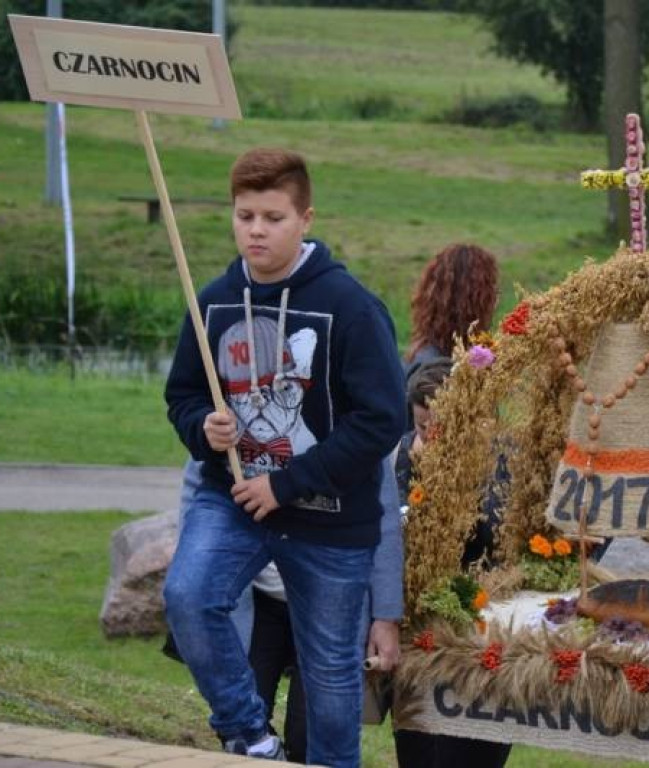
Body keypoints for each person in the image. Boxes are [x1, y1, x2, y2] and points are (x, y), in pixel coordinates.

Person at [162, 148, 406, 766]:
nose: (256, 231)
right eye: (245, 216)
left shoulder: (351, 307)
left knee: (329, 680)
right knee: (189, 595)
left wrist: (289, 483)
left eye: (273, 217)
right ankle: (249, 734)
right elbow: (183, 395)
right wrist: (203, 427)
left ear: (304, 218)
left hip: (329, 517)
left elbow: (382, 421)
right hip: (235, 498)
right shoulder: (212, 300)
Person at [173, 457, 404, 764]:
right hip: (258, 600)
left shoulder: (348, 420)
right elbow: (197, 493)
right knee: (244, 736)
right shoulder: (237, 415)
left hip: (328, 601)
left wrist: (386, 616)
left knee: (310, 732)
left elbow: (384, 518)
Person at [392, 361, 511, 768]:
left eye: (439, 426)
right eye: (423, 426)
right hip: (421, 632)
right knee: (420, 751)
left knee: (475, 753)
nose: (429, 437)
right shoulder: (403, 457)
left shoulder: (499, 460)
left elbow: (500, 542)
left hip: (480, 630)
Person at [405, 243, 498, 373]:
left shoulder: (436, 353)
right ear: (474, 301)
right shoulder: (432, 369)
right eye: (489, 290)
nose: (495, 298)